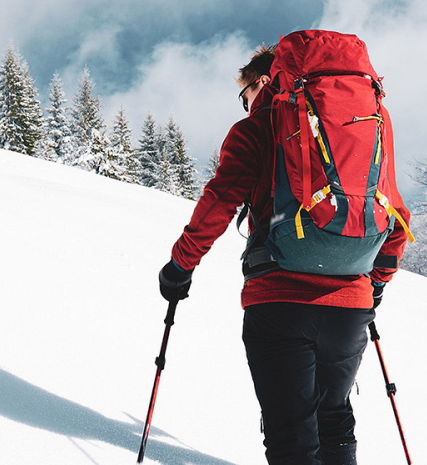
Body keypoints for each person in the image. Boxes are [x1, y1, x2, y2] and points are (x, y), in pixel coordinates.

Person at [158, 42, 411, 465]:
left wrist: (180, 266)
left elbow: (219, 202)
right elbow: (395, 214)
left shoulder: (257, 128)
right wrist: (377, 283)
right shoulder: (370, 124)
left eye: (245, 96)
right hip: (351, 307)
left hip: (278, 301)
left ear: (263, 81)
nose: (245, 106)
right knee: (334, 415)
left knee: (292, 434)